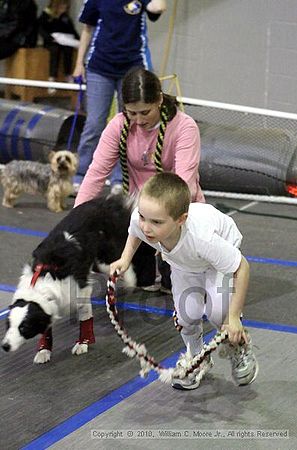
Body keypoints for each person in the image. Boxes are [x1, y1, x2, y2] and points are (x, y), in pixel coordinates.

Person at [110, 172, 259, 390]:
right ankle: (197, 358)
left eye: (156, 222)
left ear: (181, 220)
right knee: (187, 314)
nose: (146, 227)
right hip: (184, 263)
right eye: (143, 217)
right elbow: (135, 232)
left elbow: (242, 267)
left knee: (220, 313)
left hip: (216, 262)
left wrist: (234, 317)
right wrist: (124, 259)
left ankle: (238, 345)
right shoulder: (142, 220)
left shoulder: (202, 239)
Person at [74, 67, 205, 291]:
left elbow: (186, 185)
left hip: (177, 212)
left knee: (172, 287)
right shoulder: (117, 125)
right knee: (142, 284)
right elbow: (96, 173)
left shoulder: (185, 127)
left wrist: (163, 228)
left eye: (145, 112)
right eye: (131, 113)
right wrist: (76, 220)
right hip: (139, 213)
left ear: (160, 100)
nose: (138, 120)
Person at [73, 0, 167, 185]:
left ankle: (121, 178)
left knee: (129, 125)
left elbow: (158, 7)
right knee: (94, 124)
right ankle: (81, 174)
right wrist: (78, 64)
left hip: (132, 68)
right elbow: (87, 30)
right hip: (99, 67)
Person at [38, 0, 79, 93]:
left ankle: (68, 74)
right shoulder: (46, 14)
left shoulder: (65, 17)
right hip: (51, 41)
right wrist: (50, 38)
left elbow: (72, 30)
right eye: (63, 6)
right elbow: (41, 29)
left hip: (64, 41)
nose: (64, 8)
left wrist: (79, 40)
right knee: (55, 51)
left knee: (68, 50)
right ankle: (52, 78)